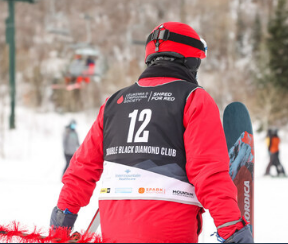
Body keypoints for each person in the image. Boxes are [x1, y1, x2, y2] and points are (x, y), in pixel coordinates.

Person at [50, 22, 253, 243]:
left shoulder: (114, 103)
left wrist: (62, 219)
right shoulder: (193, 98)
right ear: (192, 60)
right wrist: (232, 228)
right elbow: (208, 173)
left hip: (114, 230)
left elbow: (81, 169)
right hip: (169, 230)